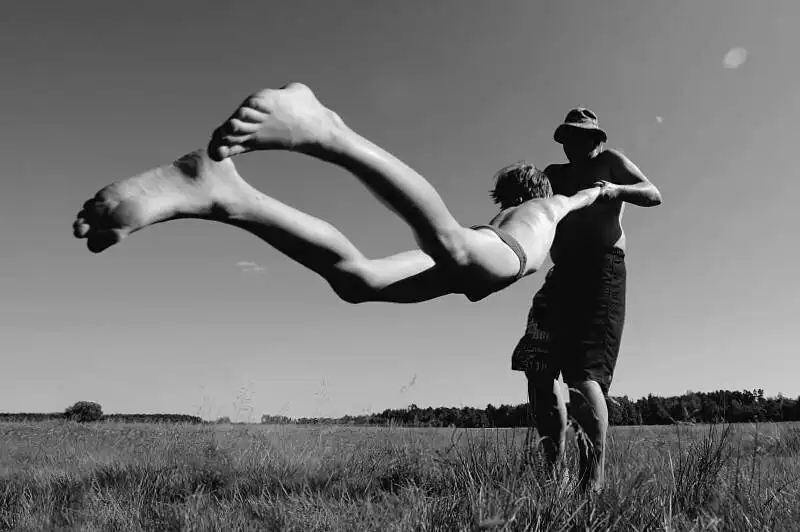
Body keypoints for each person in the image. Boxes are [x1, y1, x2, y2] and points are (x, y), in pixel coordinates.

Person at [73, 83, 603, 305]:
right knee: (454, 245)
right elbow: (583, 198)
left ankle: (224, 195)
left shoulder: (509, 214)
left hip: (480, 248)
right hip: (496, 256)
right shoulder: (551, 204)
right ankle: (328, 131)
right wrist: (601, 190)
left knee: (358, 281)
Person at [511, 108, 662, 492]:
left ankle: (590, 486)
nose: (571, 144)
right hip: (561, 275)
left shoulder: (610, 161)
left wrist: (616, 190)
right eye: (567, 137)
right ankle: (553, 475)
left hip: (602, 271)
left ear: (596, 139)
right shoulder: (554, 175)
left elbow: (652, 193)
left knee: (583, 374)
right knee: (538, 367)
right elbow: (528, 202)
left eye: (580, 136)